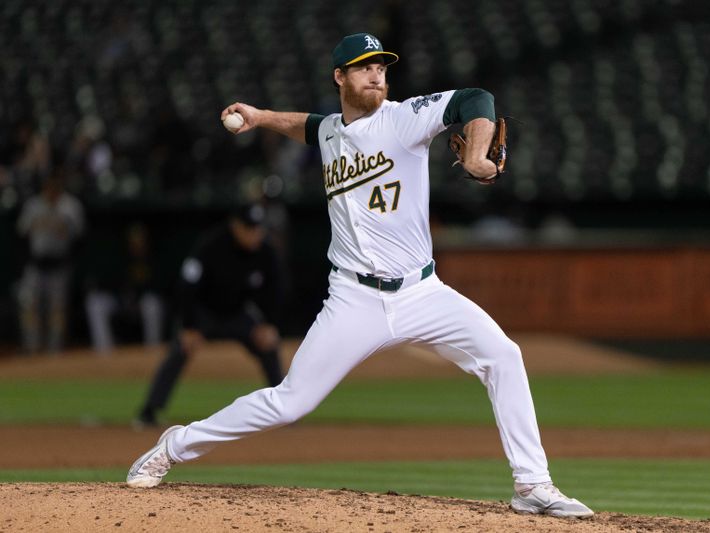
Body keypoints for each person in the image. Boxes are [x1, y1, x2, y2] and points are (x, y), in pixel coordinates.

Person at [127, 33, 594, 519]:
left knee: (503, 355)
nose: (376, 74)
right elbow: (309, 126)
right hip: (354, 299)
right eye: (364, 66)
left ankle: (532, 484)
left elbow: (476, 100)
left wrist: (476, 156)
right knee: (290, 402)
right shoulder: (331, 130)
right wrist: (262, 117)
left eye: (382, 67)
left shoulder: (405, 118)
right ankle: (174, 445)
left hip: (421, 292)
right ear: (339, 77)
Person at [134, 204, 285, 427]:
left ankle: (282, 412)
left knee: (269, 346)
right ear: (235, 226)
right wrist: (188, 326)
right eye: (249, 228)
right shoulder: (212, 244)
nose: (255, 234)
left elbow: (277, 289)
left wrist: (270, 324)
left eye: (258, 229)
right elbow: (187, 286)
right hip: (204, 312)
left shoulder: (265, 251)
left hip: (237, 313)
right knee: (180, 349)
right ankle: (150, 410)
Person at [16, 169, 85, 354]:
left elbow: (79, 236)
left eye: (55, 186)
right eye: (48, 186)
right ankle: (32, 347)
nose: (51, 190)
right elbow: (22, 233)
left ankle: (55, 351)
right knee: (29, 306)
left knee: (58, 309)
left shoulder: (70, 206)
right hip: (36, 264)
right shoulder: (33, 205)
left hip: (59, 265)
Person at [84, 223, 165, 354]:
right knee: (94, 303)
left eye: (140, 240)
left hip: (141, 304)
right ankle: (104, 352)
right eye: (134, 240)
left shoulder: (153, 260)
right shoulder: (120, 258)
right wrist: (122, 297)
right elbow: (107, 283)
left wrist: (137, 297)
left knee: (152, 304)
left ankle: (152, 350)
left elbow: (159, 287)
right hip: (119, 302)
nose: (137, 244)